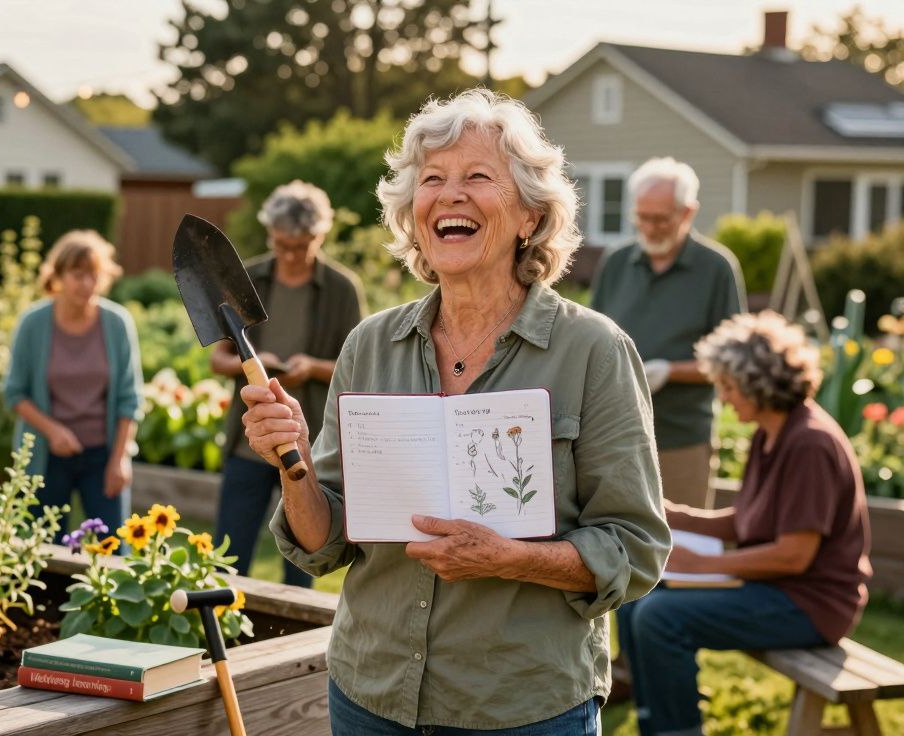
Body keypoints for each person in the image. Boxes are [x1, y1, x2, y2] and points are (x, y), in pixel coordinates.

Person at [242, 89, 671, 734]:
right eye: (432, 180)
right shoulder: (370, 346)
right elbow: (324, 542)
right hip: (371, 696)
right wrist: (292, 464)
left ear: (529, 215)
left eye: (477, 177)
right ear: (413, 217)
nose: (449, 195)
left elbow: (635, 548)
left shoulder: (593, 351)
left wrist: (511, 558)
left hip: (520, 707)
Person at [619, 311, 871, 736]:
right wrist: (665, 511)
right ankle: (654, 720)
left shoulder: (810, 444)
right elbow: (745, 522)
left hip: (812, 605)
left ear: (759, 385)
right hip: (776, 591)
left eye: (729, 386)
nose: (723, 396)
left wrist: (698, 565)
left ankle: (677, 729)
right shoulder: (772, 433)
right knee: (637, 592)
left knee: (659, 617)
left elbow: (794, 555)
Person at [211, 180, 366, 587]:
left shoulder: (341, 288)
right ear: (271, 235)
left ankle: (289, 643)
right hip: (249, 439)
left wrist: (312, 367)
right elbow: (217, 357)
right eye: (282, 245)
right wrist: (253, 363)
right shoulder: (250, 278)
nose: (291, 255)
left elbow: (358, 367)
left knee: (303, 556)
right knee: (228, 554)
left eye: (302, 245)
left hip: (307, 445)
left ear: (321, 235)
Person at [590, 157, 746, 509]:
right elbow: (591, 341)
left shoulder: (716, 268)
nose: (649, 228)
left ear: (688, 213)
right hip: (614, 435)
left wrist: (670, 371)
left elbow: (733, 362)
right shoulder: (616, 263)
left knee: (680, 546)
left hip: (681, 438)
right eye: (642, 218)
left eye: (661, 219)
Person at [3, 230, 142, 534]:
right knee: (41, 551)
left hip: (103, 454)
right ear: (58, 276)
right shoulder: (33, 323)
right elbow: (14, 392)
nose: (87, 284)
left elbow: (130, 400)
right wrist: (53, 431)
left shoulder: (117, 323)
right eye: (78, 275)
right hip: (47, 456)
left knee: (113, 549)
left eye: (94, 275)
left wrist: (119, 460)